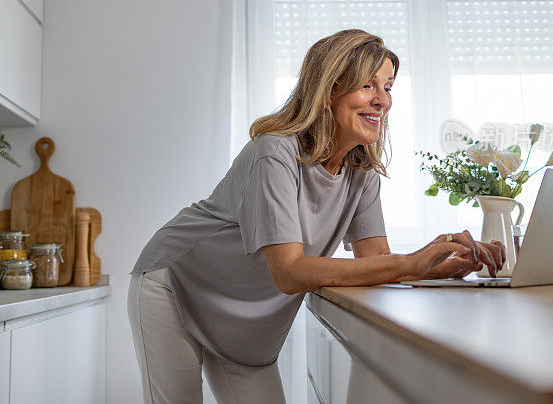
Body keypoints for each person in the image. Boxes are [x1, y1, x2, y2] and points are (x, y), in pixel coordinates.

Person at [127, 29, 506, 404]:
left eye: (387, 88)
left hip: (242, 313)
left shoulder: (362, 170)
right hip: (174, 282)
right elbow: (288, 272)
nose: (382, 102)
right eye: (367, 86)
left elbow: (375, 261)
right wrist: (410, 262)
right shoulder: (274, 152)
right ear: (329, 90)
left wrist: (435, 264)